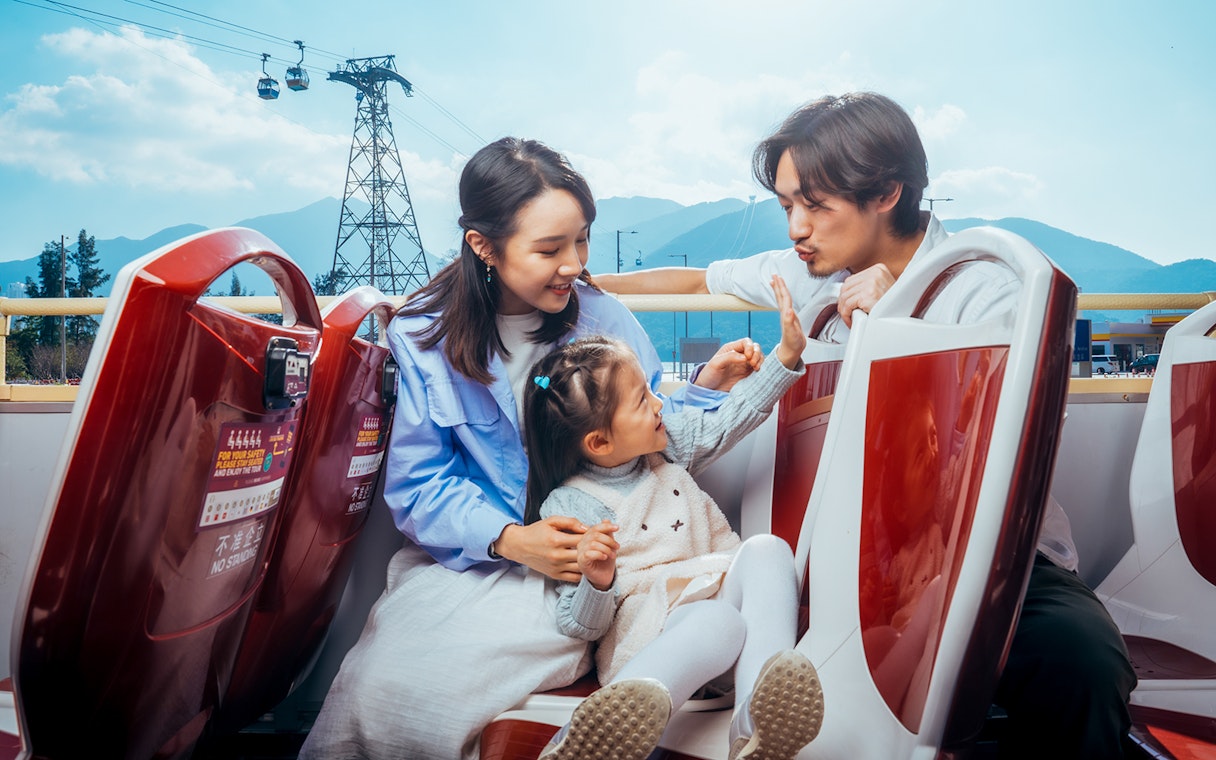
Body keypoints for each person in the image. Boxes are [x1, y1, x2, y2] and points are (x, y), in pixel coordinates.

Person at [596, 92, 1137, 759]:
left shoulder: (987, 287)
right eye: (787, 207)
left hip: (978, 550)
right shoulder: (809, 271)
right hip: (848, 549)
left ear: (886, 192)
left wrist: (898, 327)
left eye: (815, 206)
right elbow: (693, 283)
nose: (796, 229)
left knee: (1082, 662)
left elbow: (993, 452)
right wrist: (578, 281)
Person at [299, 137, 753, 760]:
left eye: (582, 240)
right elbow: (419, 484)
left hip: (583, 566)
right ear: (483, 246)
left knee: (449, 690)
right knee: (378, 691)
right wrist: (511, 540)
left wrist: (705, 388)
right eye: (549, 249)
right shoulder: (422, 335)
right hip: (468, 559)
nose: (574, 264)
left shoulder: (605, 319)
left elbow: (648, 432)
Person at [525, 275, 823, 760]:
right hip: (652, 638)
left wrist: (785, 355)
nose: (660, 403)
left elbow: (733, 416)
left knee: (769, 550)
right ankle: (597, 730)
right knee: (717, 621)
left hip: (720, 611)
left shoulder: (667, 447)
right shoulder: (572, 505)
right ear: (599, 442)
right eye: (643, 401)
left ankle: (755, 728)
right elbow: (579, 626)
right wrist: (597, 582)